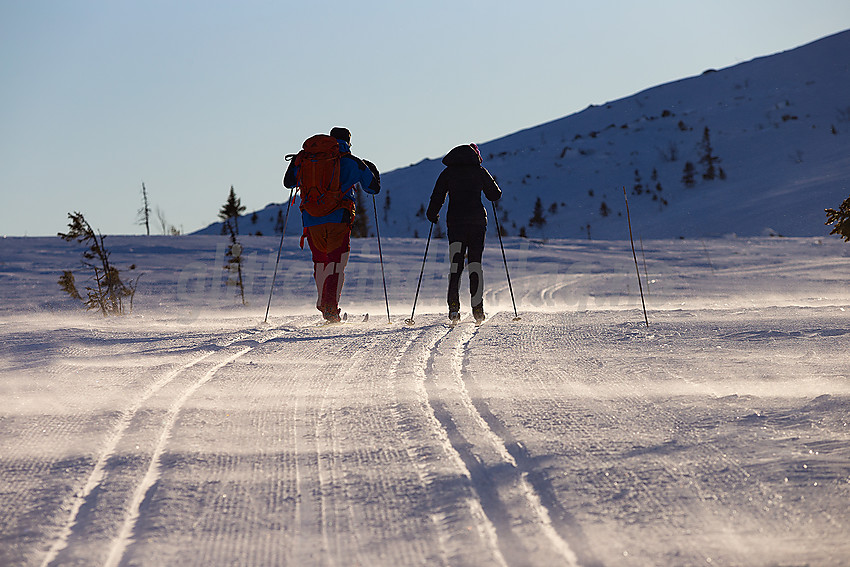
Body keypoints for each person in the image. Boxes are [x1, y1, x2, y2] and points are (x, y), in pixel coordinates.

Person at [284, 127, 381, 322]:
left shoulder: (308, 158)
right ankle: (330, 307)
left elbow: (288, 182)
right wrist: (373, 169)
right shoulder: (352, 162)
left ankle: (324, 303)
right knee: (336, 263)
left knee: (321, 262)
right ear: (348, 141)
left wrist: (297, 161)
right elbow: (373, 188)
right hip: (338, 218)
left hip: (311, 219)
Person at [426, 143, 502, 324]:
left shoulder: (448, 173)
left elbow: (437, 196)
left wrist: (432, 214)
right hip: (477, 223)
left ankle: (453, 308)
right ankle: (478, 310)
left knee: (456, 265)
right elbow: (495, 195)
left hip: (456, 223)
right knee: (475, 264)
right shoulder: (480, 171)